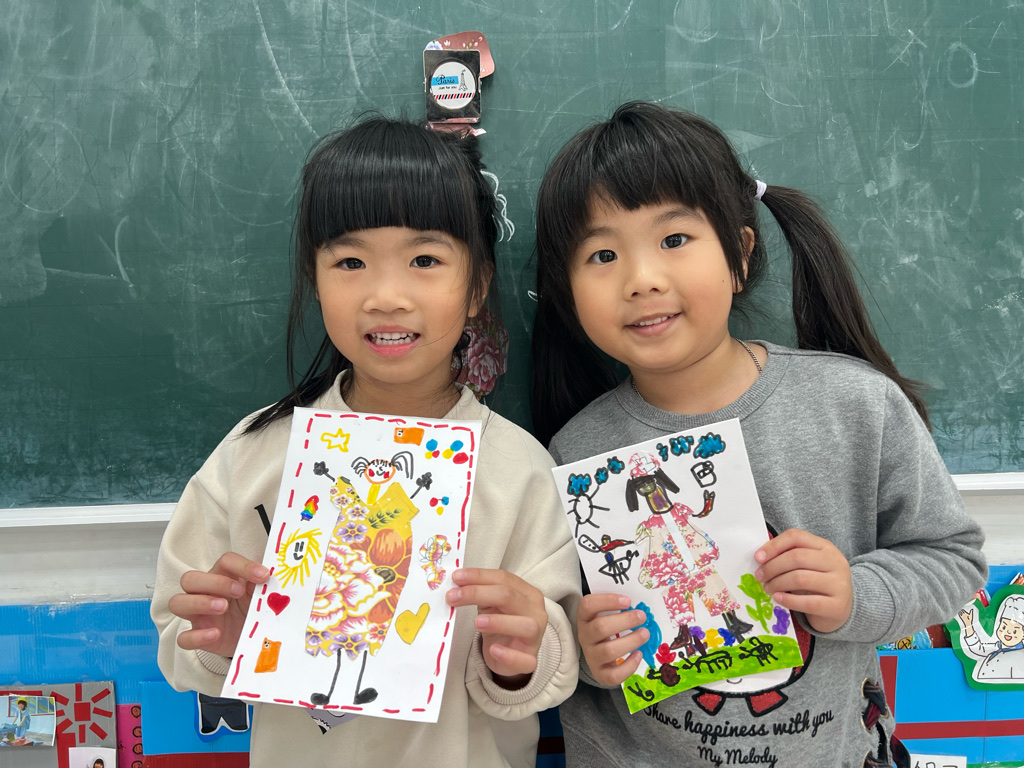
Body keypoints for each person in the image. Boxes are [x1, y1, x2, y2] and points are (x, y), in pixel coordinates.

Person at [531, 101, 987, 768]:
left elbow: (955, 560)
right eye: (602, 254)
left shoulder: (854, 405)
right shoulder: (575, 454)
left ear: (740, 254)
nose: (642, 280)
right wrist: (585, 650)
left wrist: (854, 593)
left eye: (674, 240)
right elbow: (551, 634)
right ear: (567, 290)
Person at [151, 116, 580, 768]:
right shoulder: (255, 454)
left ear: (477, 286)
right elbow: (179, 632)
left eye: (425, 260)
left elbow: (550, 660)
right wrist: (223, 641)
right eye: (350, 262)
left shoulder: (519, 470)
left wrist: (519, 658)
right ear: (315, 278)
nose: (386, 296)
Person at [958, 595, 1024, 680]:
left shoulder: (1020, 658)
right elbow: (977, 649)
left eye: (1015, 631)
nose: (1007, 632)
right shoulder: (996, 646)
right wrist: (968, 625)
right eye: (1004, 627)